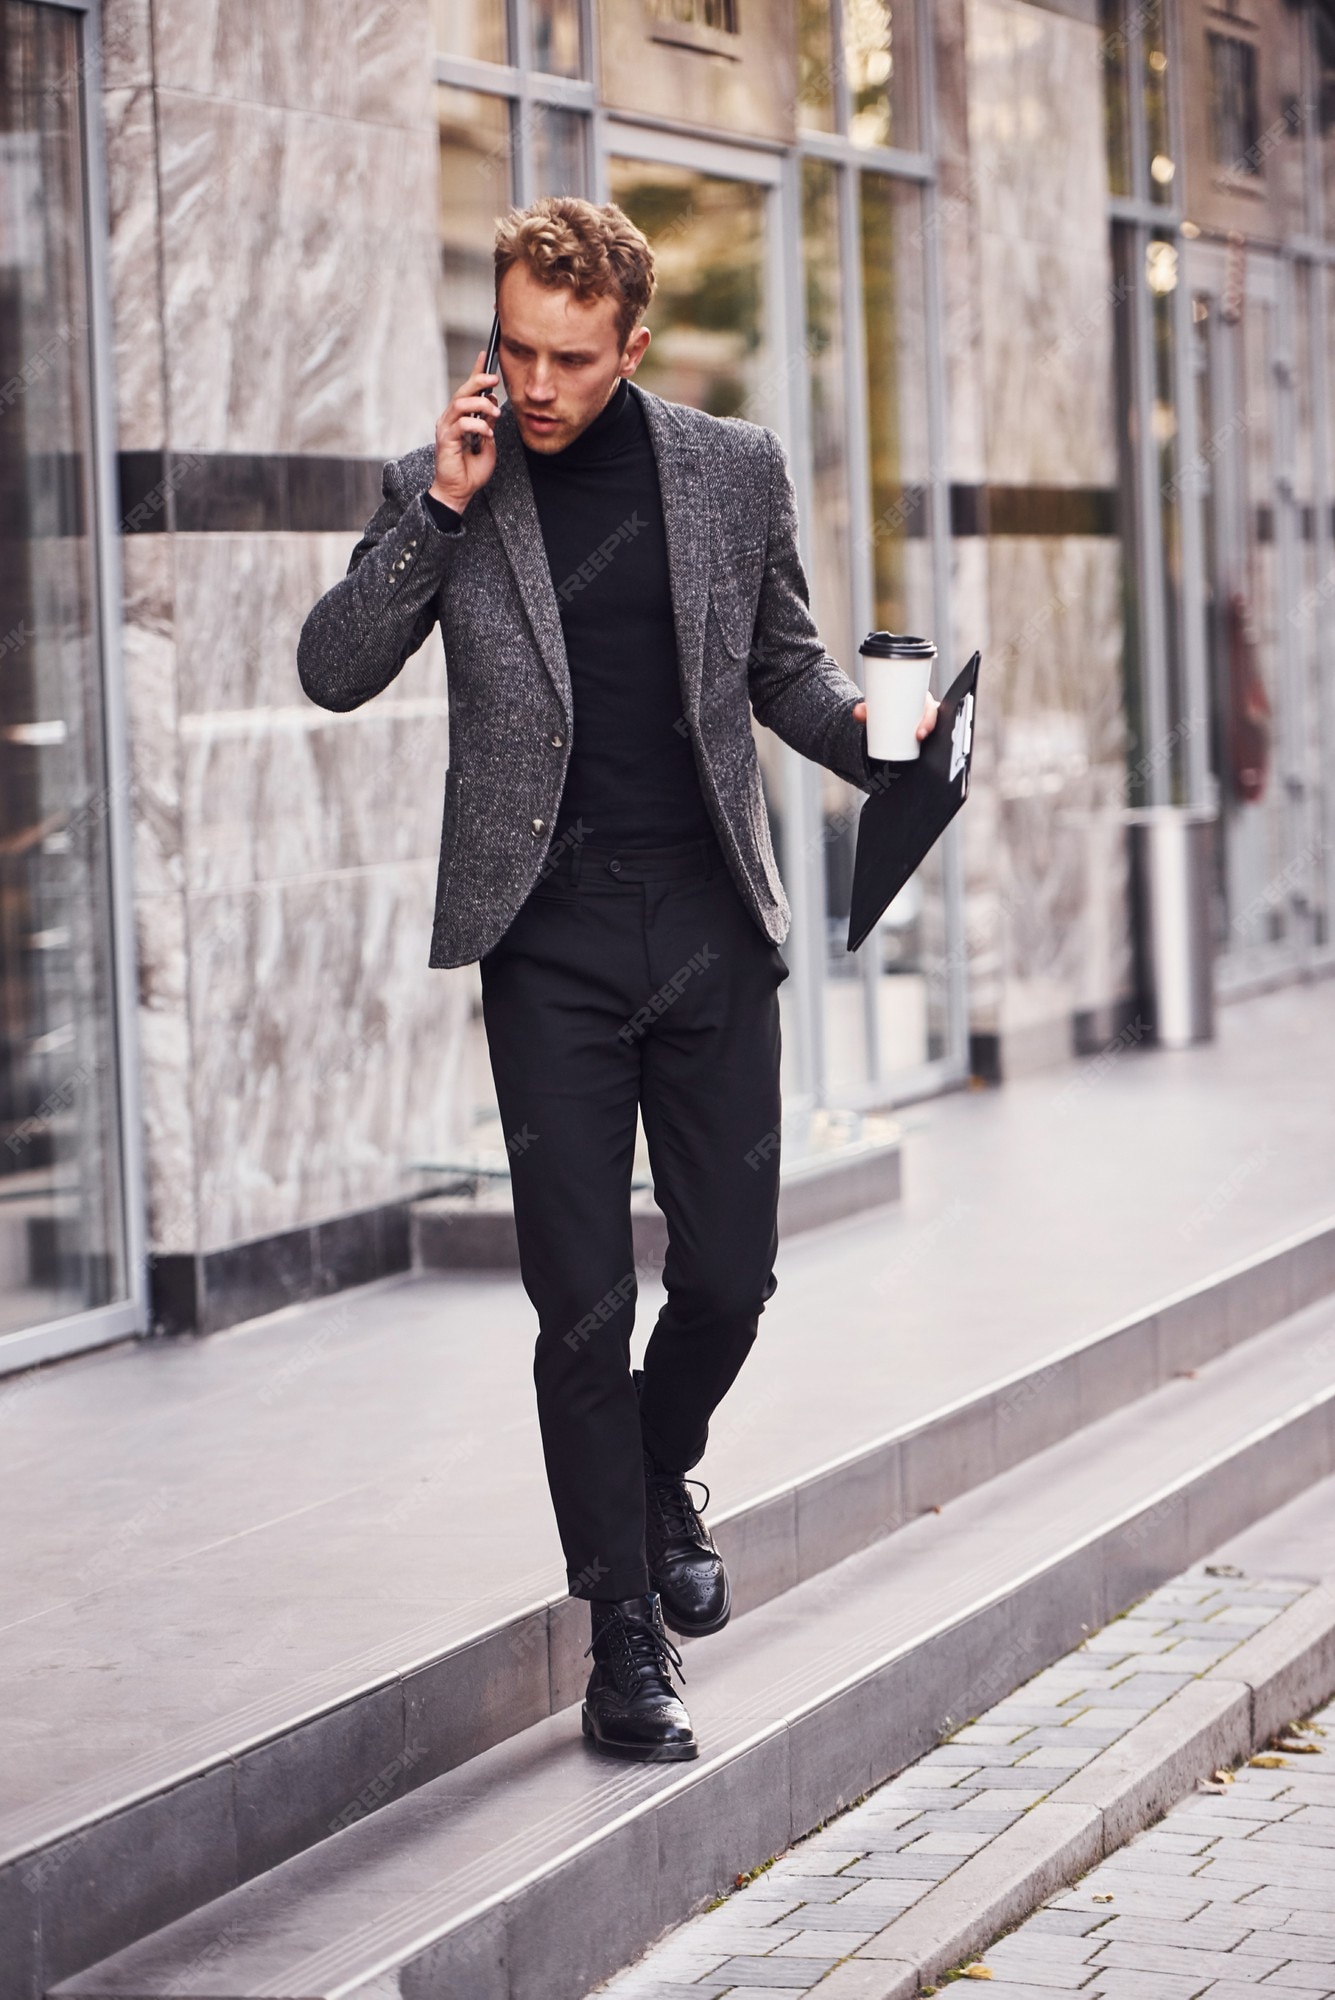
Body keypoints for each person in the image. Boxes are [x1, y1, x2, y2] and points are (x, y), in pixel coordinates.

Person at [297, 195, 938, 1764]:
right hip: (550, 939)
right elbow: (331, 667)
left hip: (710, 920)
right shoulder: (447, 482)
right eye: (513, 347)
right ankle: (624, 1643)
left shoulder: (729, 471)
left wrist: (881, 744)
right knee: (578, 1311)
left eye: (570, 358)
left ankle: (658, 1475)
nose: (534, 382)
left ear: (630, 346)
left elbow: (781, 665)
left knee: (728, 1277)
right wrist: (438, 514)